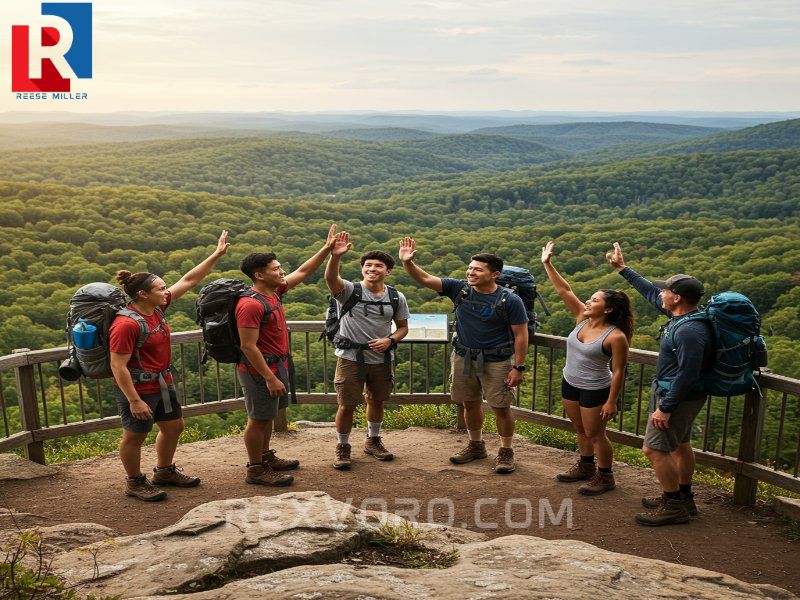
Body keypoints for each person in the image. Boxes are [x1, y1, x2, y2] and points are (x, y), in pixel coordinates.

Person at [110, 230, 230, 502]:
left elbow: (189, 279)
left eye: (165, 287)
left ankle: (164, 472)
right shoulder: (126, 324)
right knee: (135, 435)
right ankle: (134, 482)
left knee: (174, 426)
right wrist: (134, 400)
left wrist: (216, 254)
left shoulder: (156, 308)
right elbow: (117, 365)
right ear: (142, 294)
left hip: (162, 382)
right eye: (161, 289)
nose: (166, 292)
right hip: (138, 387)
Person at [399, 237, 528, 474]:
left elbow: (521, 334)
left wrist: (518, 367)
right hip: (464, 356)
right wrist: (407, 263)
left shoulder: (510, 300)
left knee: (500, 407)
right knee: (469, 403)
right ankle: (476, 445)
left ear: (494, 274)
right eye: (470, 268)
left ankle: (506, 451)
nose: (471, 272)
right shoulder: (460, 289)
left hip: (497, 360)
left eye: (478, 270)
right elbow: (425, 279)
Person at [609, 242, 711, 525]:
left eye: (665, 291)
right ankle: (683, 496)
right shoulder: (682, 316)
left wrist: (665, 407)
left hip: (676, 396)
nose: (661, 293)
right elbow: (650, 293)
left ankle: (673, 505)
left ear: (677, 298)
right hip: (678, 394)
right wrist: (623, 270)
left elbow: (688, 374)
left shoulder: (690, 331)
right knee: (681, 445)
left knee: (654, 449)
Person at [236, 225, 340, 486]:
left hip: (275, 365)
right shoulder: (250, 304)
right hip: (260, 370)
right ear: (259, 275)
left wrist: (326, 250)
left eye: (280, 267)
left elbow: (304, 271)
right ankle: (256, 469)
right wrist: (270, 378)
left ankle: (265, 456)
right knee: (258, 419)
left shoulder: (274, 292)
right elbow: (248, 346)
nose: (282, 272)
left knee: (267, 416)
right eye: (275, 269)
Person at [540, 241, 632, 495]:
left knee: (596, 433)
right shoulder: (583, 318)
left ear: (609, 308)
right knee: (580, 429)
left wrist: (611, 402)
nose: (588, 303)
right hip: (570, 382)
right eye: (589, 299)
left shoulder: (615, 337)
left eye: (595, 300)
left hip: (595, 388)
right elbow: (564, 290)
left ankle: (606, 476)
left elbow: (619, 371)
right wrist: (547, 263)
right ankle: (586, 465)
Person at [324, 232, 410, 470]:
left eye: (378, 266)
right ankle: (343, 446)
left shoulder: (396, 297)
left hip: (382, 357)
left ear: (388, 271)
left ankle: (373, 440)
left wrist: (389, 340)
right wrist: (335, 257)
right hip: (350, 357)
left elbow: (403, 328)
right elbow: (331, 278)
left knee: (377, 400)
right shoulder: (350, 291)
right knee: (347, 403)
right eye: (368, 265)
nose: (372, 269)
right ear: (362, 269)